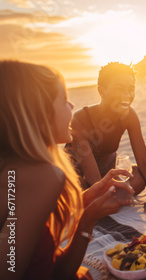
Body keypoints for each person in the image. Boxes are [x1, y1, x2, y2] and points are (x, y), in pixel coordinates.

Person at [0, 60, 135, 279]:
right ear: (38, 112)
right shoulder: (44, 175)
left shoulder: (12, 168)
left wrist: (86, 202)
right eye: (63, 99)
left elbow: (33, 255)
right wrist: (87, 219)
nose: (72, 106)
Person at [65, 62, 146, 215]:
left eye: (131, 89)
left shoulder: (129, 115)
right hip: (83, 179)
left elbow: (143, 160)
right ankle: (109, 198)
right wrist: (119, 190)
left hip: (108, 175)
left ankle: (109, 199)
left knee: (138, 176)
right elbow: (93, 178)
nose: (127, 95)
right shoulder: (79, 120)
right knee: (78, 188)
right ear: (102, 91)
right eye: (120, 88)